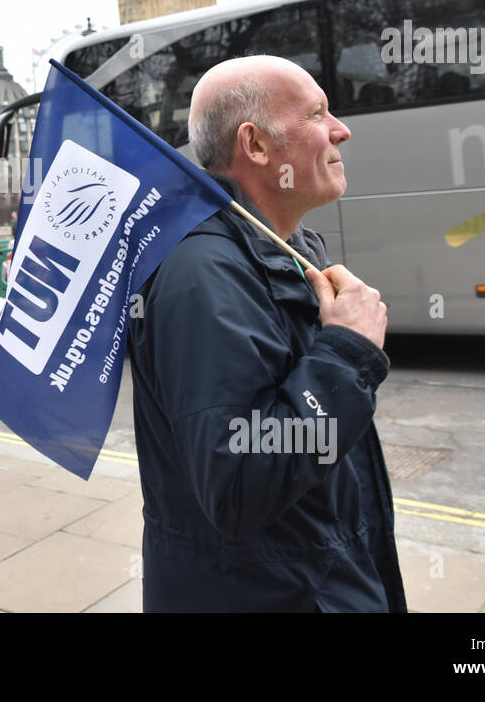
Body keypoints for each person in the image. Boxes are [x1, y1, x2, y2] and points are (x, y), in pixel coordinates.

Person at [127, 56, 405, 613]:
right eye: (317, 113)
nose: (341, 129)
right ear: (255, 146)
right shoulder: (203, 273)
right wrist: (348, 353)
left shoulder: (285, 247)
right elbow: (238, 480)